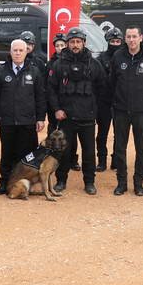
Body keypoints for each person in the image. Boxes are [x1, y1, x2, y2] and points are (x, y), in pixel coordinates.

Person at [49, 27, 106, 195]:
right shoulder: (58, 64)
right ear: (67, 44)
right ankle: (61, 181)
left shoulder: (94, 64)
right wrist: (57, 109)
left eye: (78, 42)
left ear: (84, 43)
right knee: (64, 151)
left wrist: (95, 109)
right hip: (66, 117)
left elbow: (102, 89)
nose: (75, 45)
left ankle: (89, 182)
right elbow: (51, 89)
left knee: (88, 152)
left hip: (87, 117)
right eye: (72, 42)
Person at [108, 26, 143, 196]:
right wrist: (116, 102)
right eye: (129, 37)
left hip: (142, 111)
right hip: (121, 110)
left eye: (134, 36)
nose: (131, 40)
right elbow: (112, 82)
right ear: (125, 38)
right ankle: (121, 183)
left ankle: (139, 183)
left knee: (142, 149)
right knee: (120, 148)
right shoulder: (118, 56)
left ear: (141, 37)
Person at [0, 39, 47, 195]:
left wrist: (40, 118)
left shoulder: (34, 71)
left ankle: (28, 184)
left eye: (21, 50)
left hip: (27, 121)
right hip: (7, 121)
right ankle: (5, 183)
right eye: (15, 50)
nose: (17, 53)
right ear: (10, 52)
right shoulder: (1, 71)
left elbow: (40, 97)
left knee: (27, 156)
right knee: (7, 154)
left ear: (26, 52)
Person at [96, 27, 123, 172]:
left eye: (118, 41)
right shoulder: (100, 59)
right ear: (108, 41)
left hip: (120, 101)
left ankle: (116, 160)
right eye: (113, 41)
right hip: (104, 101)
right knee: (102, 133)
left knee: (119, 134)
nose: (115, 44)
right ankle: (101, 160)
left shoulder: (125, 57)